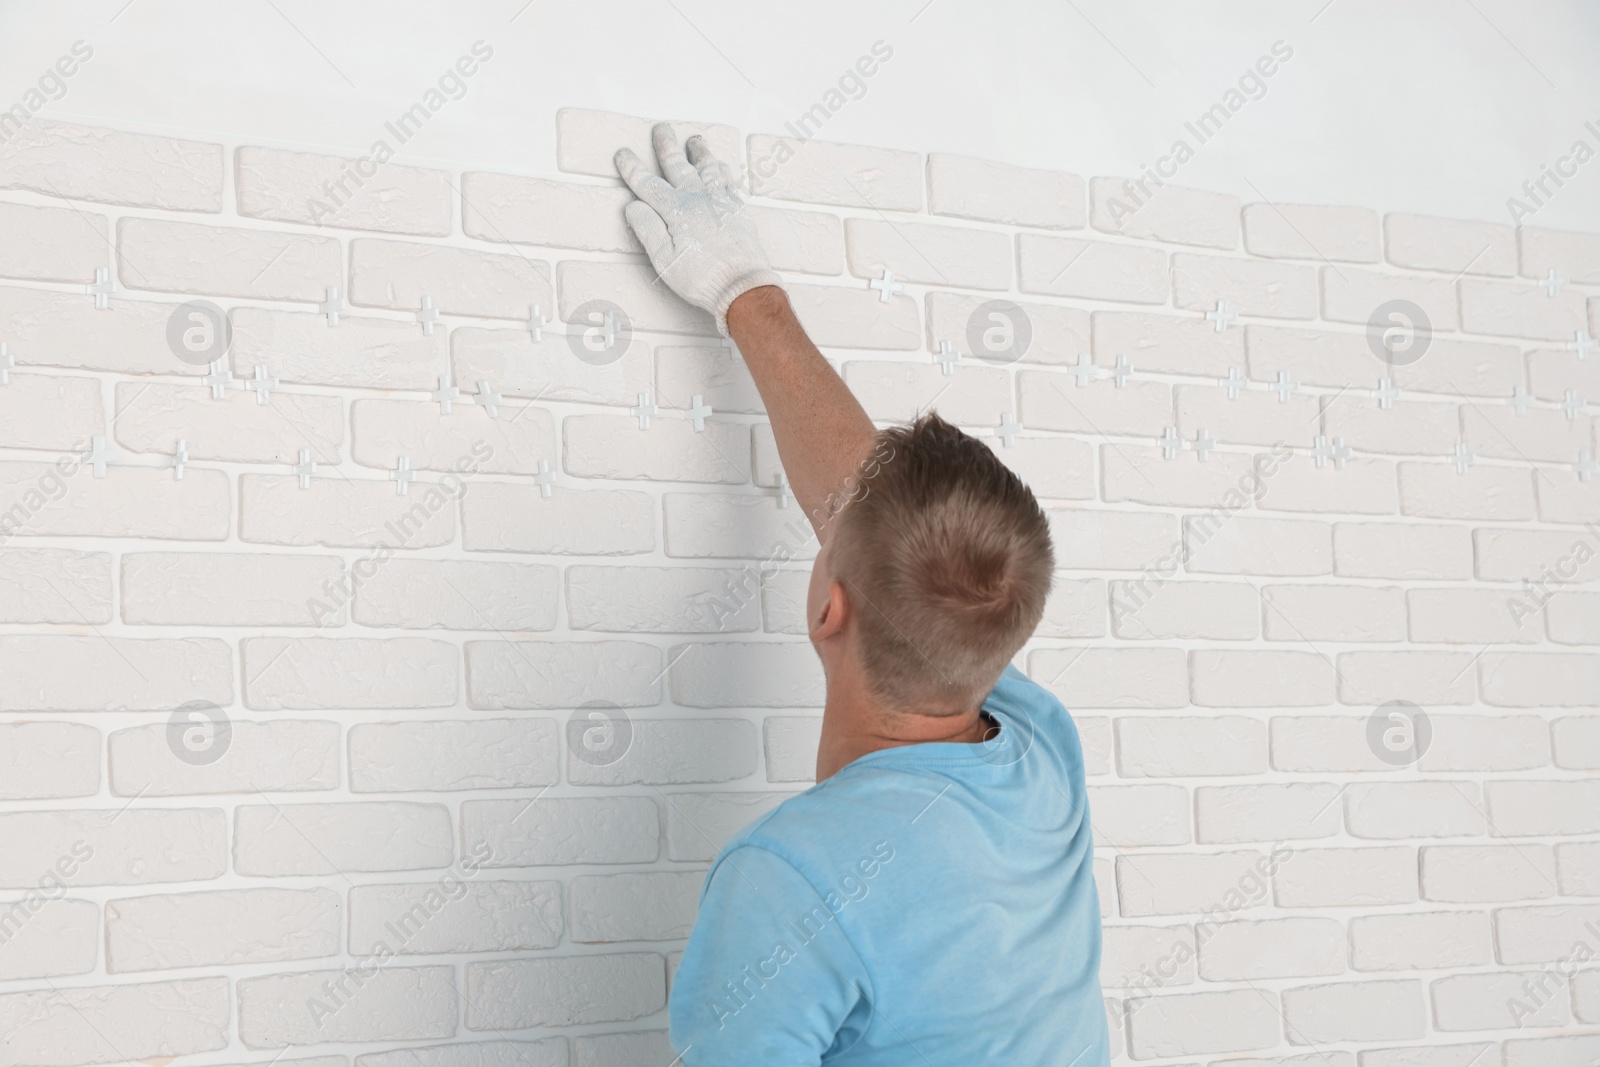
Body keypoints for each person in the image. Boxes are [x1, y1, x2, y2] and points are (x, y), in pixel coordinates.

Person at [614, 125, 1108, 1066]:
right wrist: (743, 295)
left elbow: (872, 522)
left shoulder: (787, 880)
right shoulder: (1043, 759)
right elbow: (886, 528)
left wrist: (742, 285)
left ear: (827, 608)